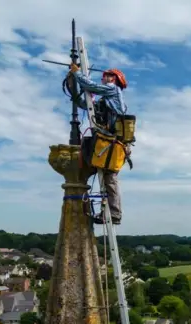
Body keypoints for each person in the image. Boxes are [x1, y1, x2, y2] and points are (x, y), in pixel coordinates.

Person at [70, 63, 129, 225]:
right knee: (105, 179)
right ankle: (107, 213)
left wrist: (77, 74)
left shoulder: (113, 89)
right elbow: (87, 106)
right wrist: (73, 90)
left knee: (110, 180)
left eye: (107, 76)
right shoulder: (106, 100)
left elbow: (91, 86)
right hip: (107, 142)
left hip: (113, 143)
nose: (104, 78)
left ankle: (115, 215)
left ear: (114, 79)